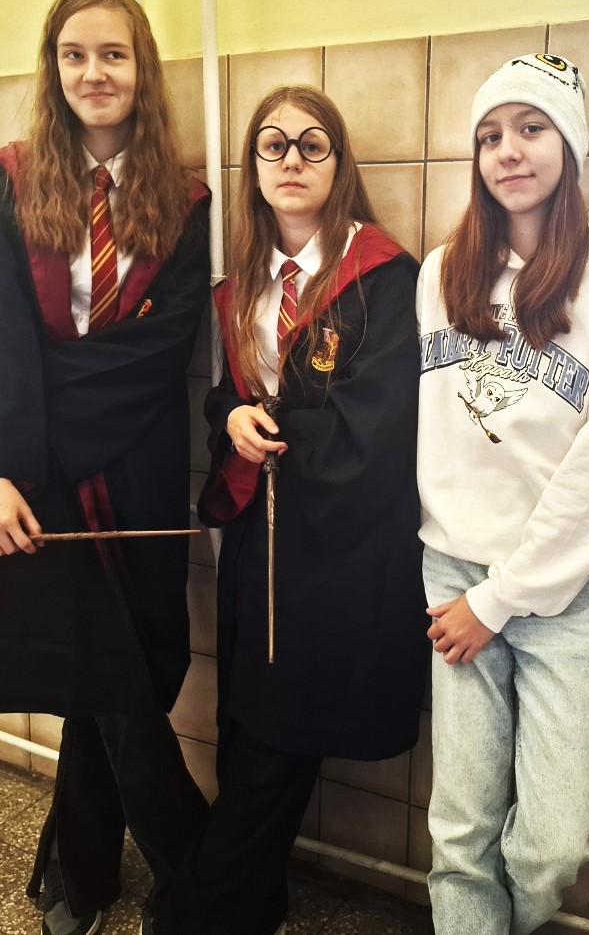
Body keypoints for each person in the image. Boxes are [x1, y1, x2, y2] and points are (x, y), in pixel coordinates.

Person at [0, 0, 213, 935]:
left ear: (143, 70)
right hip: (33, 476)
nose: (95, 72)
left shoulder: (183, 201)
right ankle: (195, 876)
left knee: (120, 663)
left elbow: (159, 347)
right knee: (98, 669)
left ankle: (77, 872)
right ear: (54, 69)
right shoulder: (10, 182)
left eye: (114, 54)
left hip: (134, 462)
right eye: (75, 54)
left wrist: (42, 408)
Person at [144, 85, 427, 935]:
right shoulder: (242, 291)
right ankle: (248, 903)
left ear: (339, 164)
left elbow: (380, 424)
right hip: (255, 544)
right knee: (246, 725)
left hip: (335, 550)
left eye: (312, 144)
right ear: (254, 167)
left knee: (279, 735)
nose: (292, 160)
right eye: (273, 145)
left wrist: (275, 429)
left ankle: (205, 915)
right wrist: (233, 418)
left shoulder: (386, 278)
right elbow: (225, 399)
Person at [417, 54, 589, 934]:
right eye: (489, 136)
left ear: (570, 145)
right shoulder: (442, 274)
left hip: (571, 592)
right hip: (455, 568)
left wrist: (501, 598)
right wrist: (469, 588)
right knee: (462, 827)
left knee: (550, 847)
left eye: (531, 128)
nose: (508, 151)